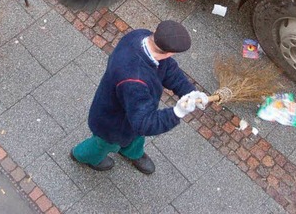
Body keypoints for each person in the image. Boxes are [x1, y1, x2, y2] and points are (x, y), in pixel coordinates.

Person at [71, 20, 209, 174]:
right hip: (113, 124)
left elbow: (168, 68)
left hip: (132, 117)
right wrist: (176, 113)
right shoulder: (134, 80)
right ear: (170, 52)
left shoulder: (140, 36)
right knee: (104, 145)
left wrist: (189, 92)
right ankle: (83, 156)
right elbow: (144, 123)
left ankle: (132, 152)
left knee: (136, 138)